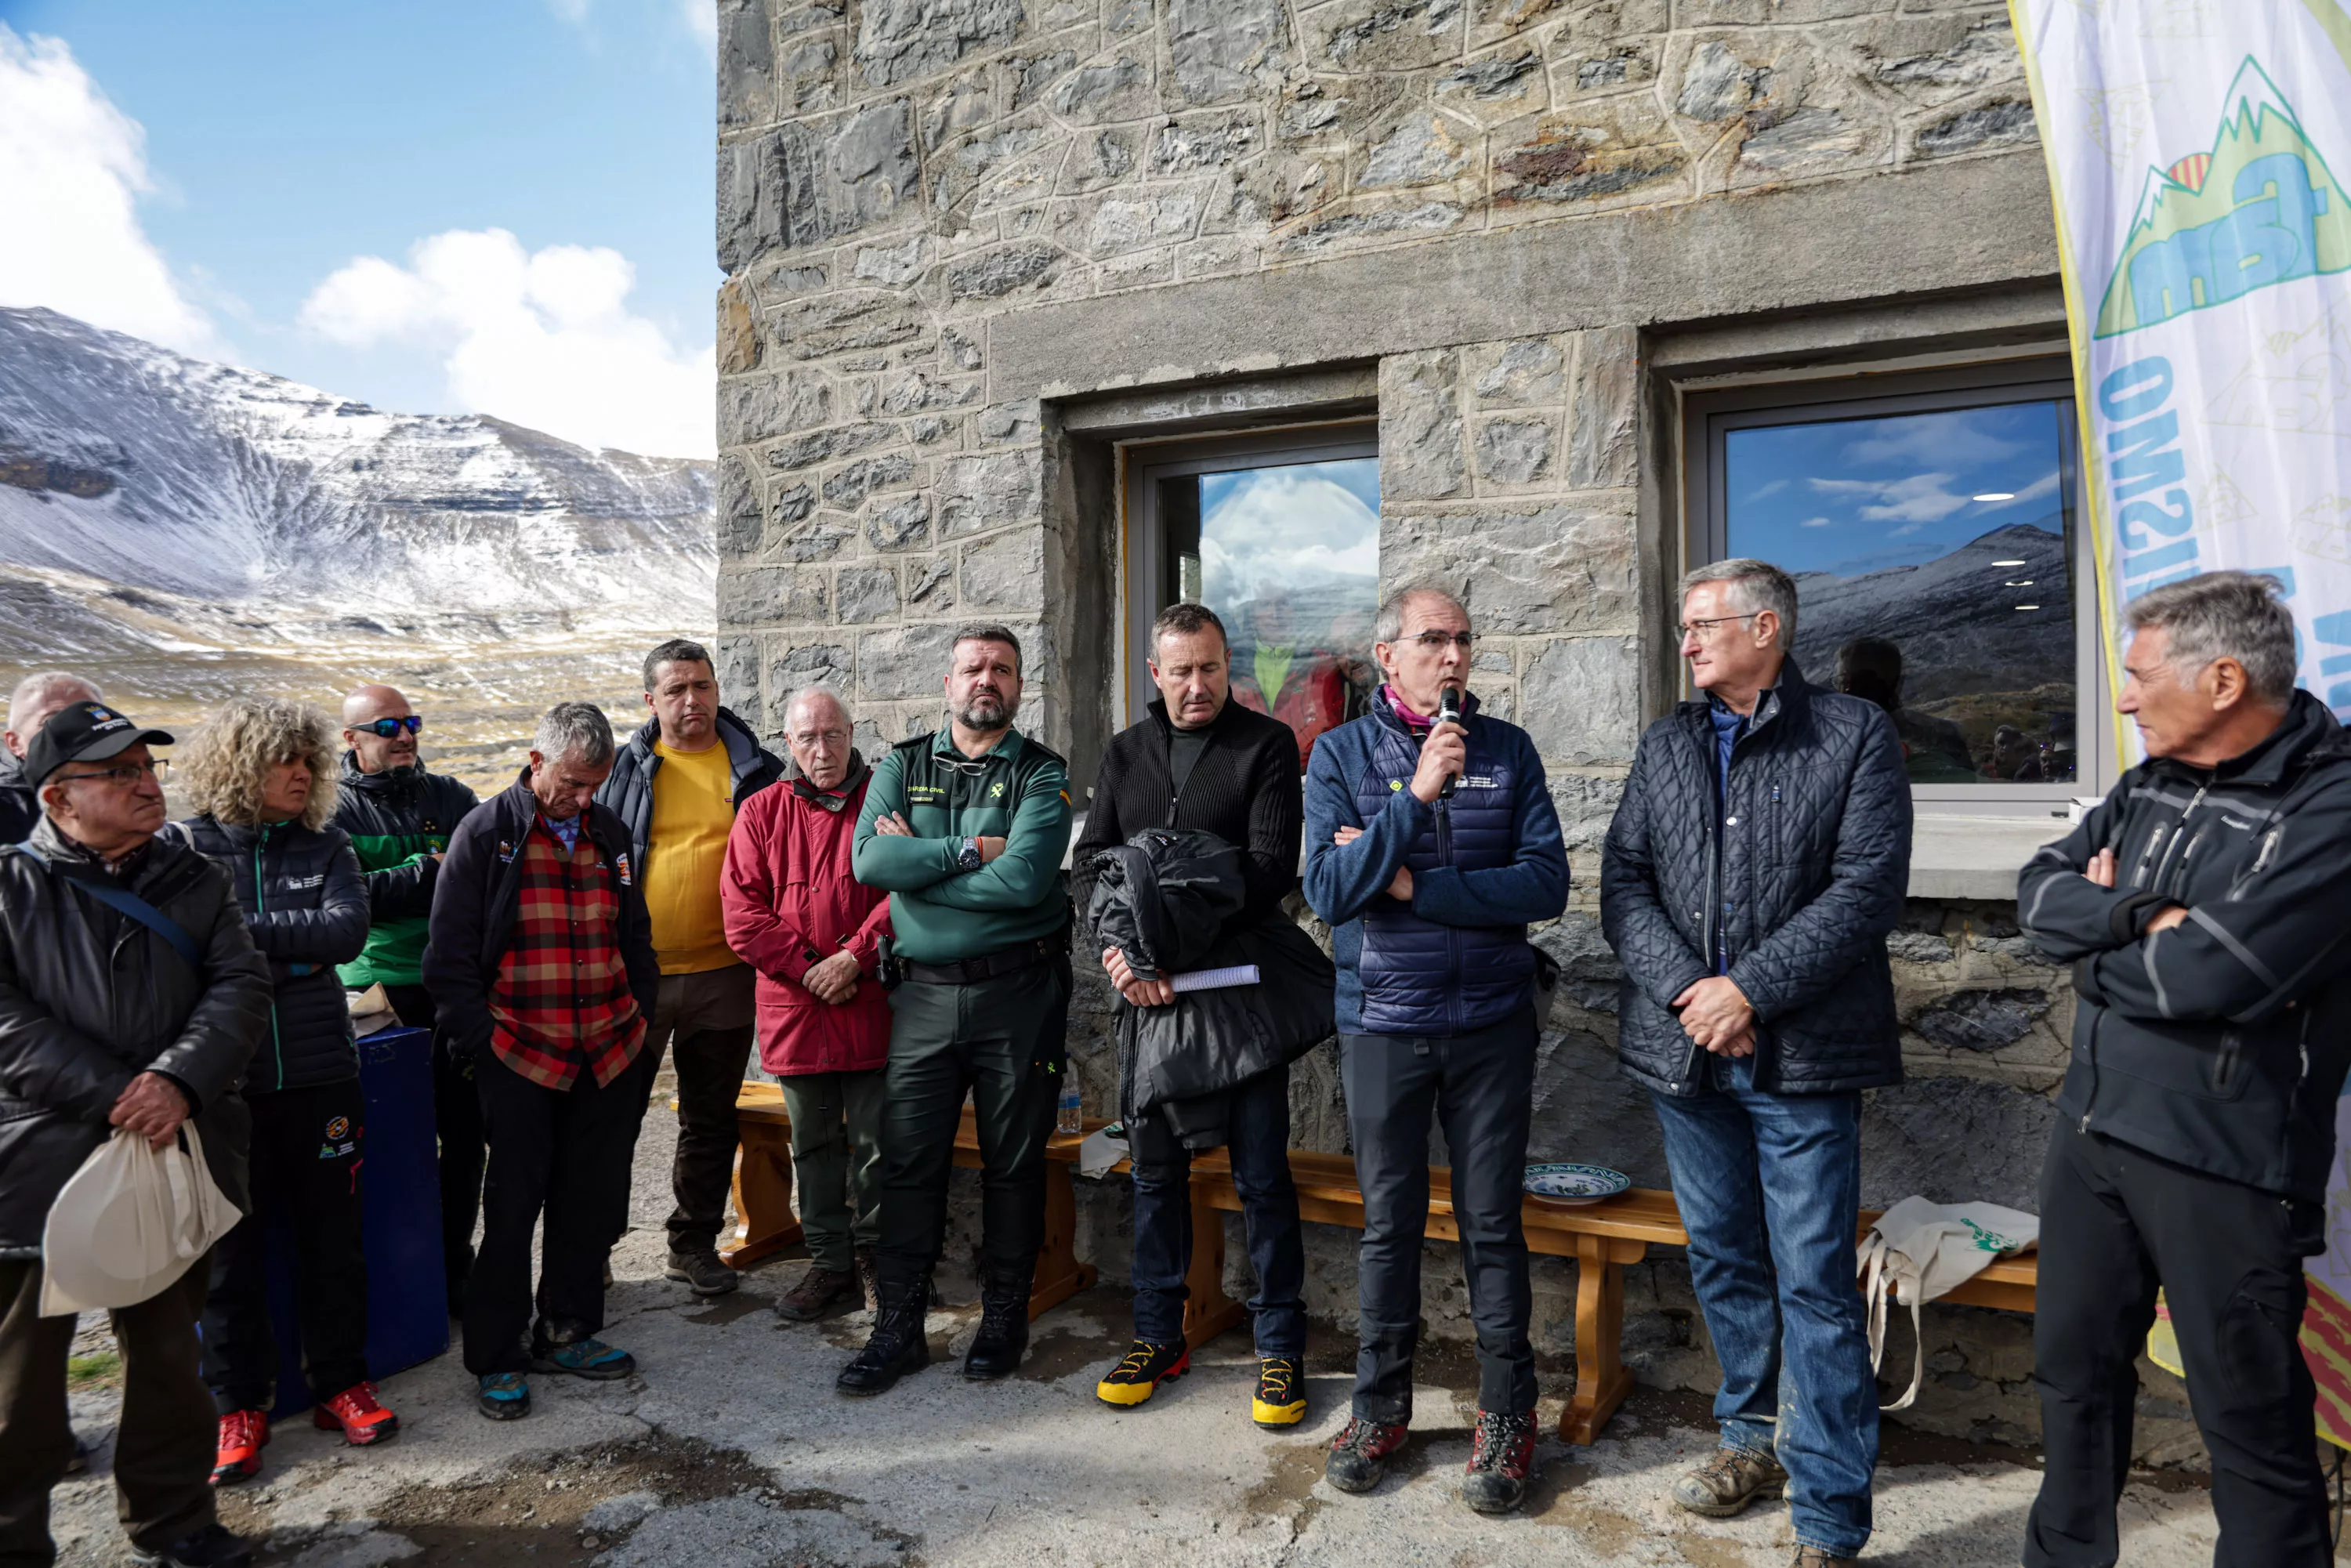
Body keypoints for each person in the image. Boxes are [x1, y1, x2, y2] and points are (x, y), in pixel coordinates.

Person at [2017, 572, 2351, 1568]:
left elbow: (2215, 973)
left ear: (2221, 680)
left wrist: (2105, 948)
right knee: (2071, 1381)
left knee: (2248, 1418)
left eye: (2136, 675)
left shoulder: (2331, 807)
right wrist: (2128, 916)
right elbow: (2039, 894)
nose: (2120, 700)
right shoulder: (2152, 778)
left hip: (2224, 1158)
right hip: (2092, 1130)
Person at [1600, 559, 1911, 1568]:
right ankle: (1750, 1444)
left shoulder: (1854, 735)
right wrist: (1699, 996)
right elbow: (1625, 883)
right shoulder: (1669, 743)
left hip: (1805, 1061)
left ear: (1766, 628)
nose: (1686, 643)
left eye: (1703, 625)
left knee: (1815, 1282)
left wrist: (1752, 993)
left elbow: (1867, 889)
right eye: (1684, 628)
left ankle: (1827, 1515)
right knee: (1727, 1261)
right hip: (1687, 1058)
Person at [1302, 585, 1569, 1515]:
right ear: (1390, 656)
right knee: (1389, 1225)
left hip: (1493, 1024)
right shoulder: (1339, 755)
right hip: (1383, 1019)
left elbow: (1546, 884)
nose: (1452, 656)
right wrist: (1413, 800)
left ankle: (1506, 1416)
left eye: (1462, 639)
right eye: (1432, 640)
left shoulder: (1508, 751)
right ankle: (1380, 1411)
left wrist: (1417, 888)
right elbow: (1330, 892)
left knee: (1493, 1224)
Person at [0, 701, 272, 1568]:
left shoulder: (193, 879)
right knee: (18, 1388)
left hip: (172, 1150)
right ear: (57, 796)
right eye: (117, 774)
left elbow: (240, 986)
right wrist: (123, 1091)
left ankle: (175, 1523)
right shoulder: (9, 887)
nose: (145, 785)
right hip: (38, 1171)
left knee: (167, 1360)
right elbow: (5, 1025)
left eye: (146, 768)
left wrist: (179, 1080)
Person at [1071, 603, 1312, 1425]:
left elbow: (1268, 869)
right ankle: (1157, 1334)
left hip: (1239, 999)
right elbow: (1093, 867)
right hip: (1147, 1003)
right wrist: (1122, 957)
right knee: (1155, 1174)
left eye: (1210, 667)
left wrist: (1164, 937)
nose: (1198, 684)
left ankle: (1281, 1349)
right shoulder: (1127, 752)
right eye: (1182, 670)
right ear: (1157, 674)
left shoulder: (1264, 745)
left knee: (1261, 1177)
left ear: (1227, 665)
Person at [839, 623, 1074, 1396]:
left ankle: (1004, 1319)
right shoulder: (901, 765)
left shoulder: (1042, 773)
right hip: (925, 1000)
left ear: (1018, 685)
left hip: (1018, 997)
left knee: (1013, 1164)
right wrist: (974, 852)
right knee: (908, 1165)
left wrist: (921, 868)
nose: (986, 680)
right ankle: (898, 1330)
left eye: (1001, 669)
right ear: (948, 684)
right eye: (972, 668)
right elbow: (871, 860)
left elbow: (1029, 883)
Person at [168, 700, 393, 1483]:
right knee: (232, 1258)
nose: (303, 773)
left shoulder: (327, 843)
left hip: (324, 1079)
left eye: (310, 760)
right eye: (283, 760)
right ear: (239, 766)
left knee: (334, 1243)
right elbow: (187, 946)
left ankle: (342, 1384)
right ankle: (238, 1405)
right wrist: (282, 950)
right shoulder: (185, 850)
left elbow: (344, 935)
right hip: (227, 1091)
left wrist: (238, 942)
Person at [423, 702, 660, 1421]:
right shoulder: (485, 833)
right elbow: (449, 959)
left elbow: (636, 937)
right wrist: (487, 1041)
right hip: (520, 1054)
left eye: (596, 783)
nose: (585, 798)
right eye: (573, 783)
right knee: (513, 1205)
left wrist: (639, 1018)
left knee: (587, 1199)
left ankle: (568, 1330)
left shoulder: (610, 832)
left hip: (607, 1050)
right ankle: (498, 1353)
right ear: (536, 763)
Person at [595, 639, 784, 1298]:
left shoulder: (758, 770)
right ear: (650, 700)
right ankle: (593, 1250)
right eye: (675, 689)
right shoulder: (621, 771)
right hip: (634, 978)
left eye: (701, 686)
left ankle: (693, 1243)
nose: (691, 700)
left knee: (709, 1117)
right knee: (613, 1119)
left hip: (725, 973)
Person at [720, 686, 891, 1321]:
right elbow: (743, 914)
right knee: (813, 1147)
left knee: (879, 1145)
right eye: (807, 738)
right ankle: (829, 1264)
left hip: (870, 1002)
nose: (823, 750)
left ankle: (881, 1262)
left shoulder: (884, 800)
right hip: (797, 1011)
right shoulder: (760, 813)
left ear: (852, 732)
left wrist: (855, 957)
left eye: (833, 734)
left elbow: (907, 889)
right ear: (787, 743)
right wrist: (813, 968)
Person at [328, 684, 481, 1315]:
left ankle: (454, 1265)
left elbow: (478, 875)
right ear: (352, 739)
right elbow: (347, 900)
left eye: (411, 721)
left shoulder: (449, 796)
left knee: (465, 1133)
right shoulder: (331, 811)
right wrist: (426, 868)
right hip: (372, 995)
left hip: (449, 985)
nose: (404, 735)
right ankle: (395, 1275)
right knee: (389, 1141)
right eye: (387, 725)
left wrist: (424, 877)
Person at [0, 672, 104, 842]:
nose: (79, 731)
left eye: (91, 719)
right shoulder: (7, 809)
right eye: (54, 720)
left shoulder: (129, 781)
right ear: (15, 743)